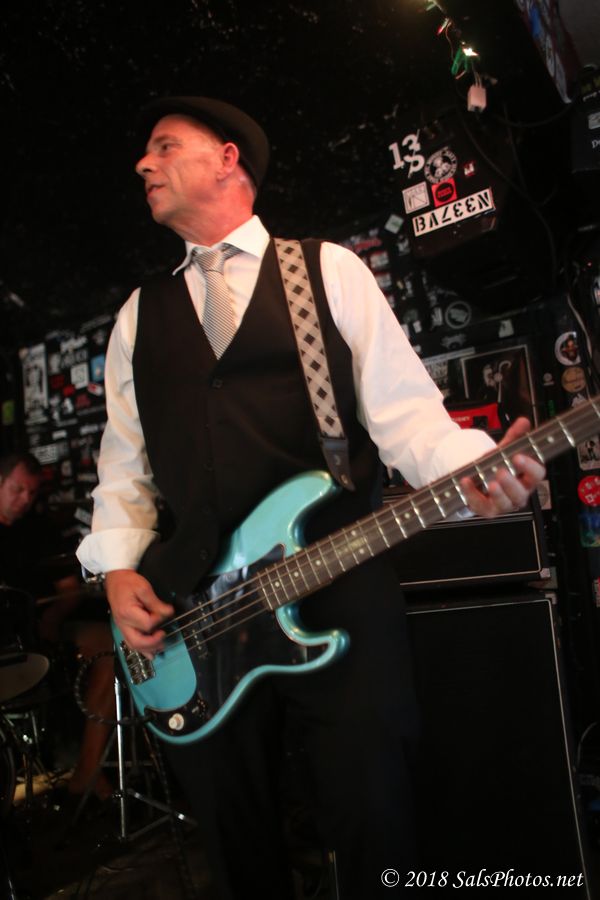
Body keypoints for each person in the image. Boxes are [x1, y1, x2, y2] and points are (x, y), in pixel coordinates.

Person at [76, 96, 545, 899]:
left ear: (228, 158)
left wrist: (477, 474)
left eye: (164, 146)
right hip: (195, 617)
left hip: (338, 583)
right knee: (237, 843)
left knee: (374, 816)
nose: (143, 164)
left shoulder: (326, 270)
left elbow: (410, 421)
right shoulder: (136, 317)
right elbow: (125, 469)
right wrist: (118, 572)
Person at [0, 451, 114, 802]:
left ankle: (88, 769)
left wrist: (52, 617)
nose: (25, 499)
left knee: (110, 648)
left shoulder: (39, 529)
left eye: (32, 492)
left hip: (41, 630)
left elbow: (69, 589)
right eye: (18, 490)